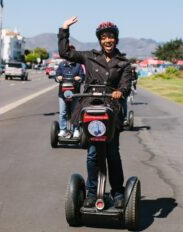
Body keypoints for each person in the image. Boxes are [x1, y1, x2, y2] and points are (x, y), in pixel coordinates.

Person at [58, 16, 132, 208]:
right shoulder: (89, 56)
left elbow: (126, 86)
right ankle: (92, 193)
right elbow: (65, 52)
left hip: (111, 113)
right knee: (92, 153)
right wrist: (64, 29)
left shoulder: (124, 63)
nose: (108, 40)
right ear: (100, 40)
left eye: (111, 37)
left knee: (112, 154)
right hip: (91, 110)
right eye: (104, 37)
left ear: (116, 39)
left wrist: (119, 92)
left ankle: (117, 193)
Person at [55, 45, 85, 138]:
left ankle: (76, 129)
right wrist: (58, 78)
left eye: (72, 52)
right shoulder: (61, 65)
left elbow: (83, 77)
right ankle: (63, 129)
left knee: (74, 112)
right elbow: (56, 76)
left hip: (75, 93)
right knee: (63, 112)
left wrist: (79, 78)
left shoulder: (78, 65)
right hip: (62, 94)